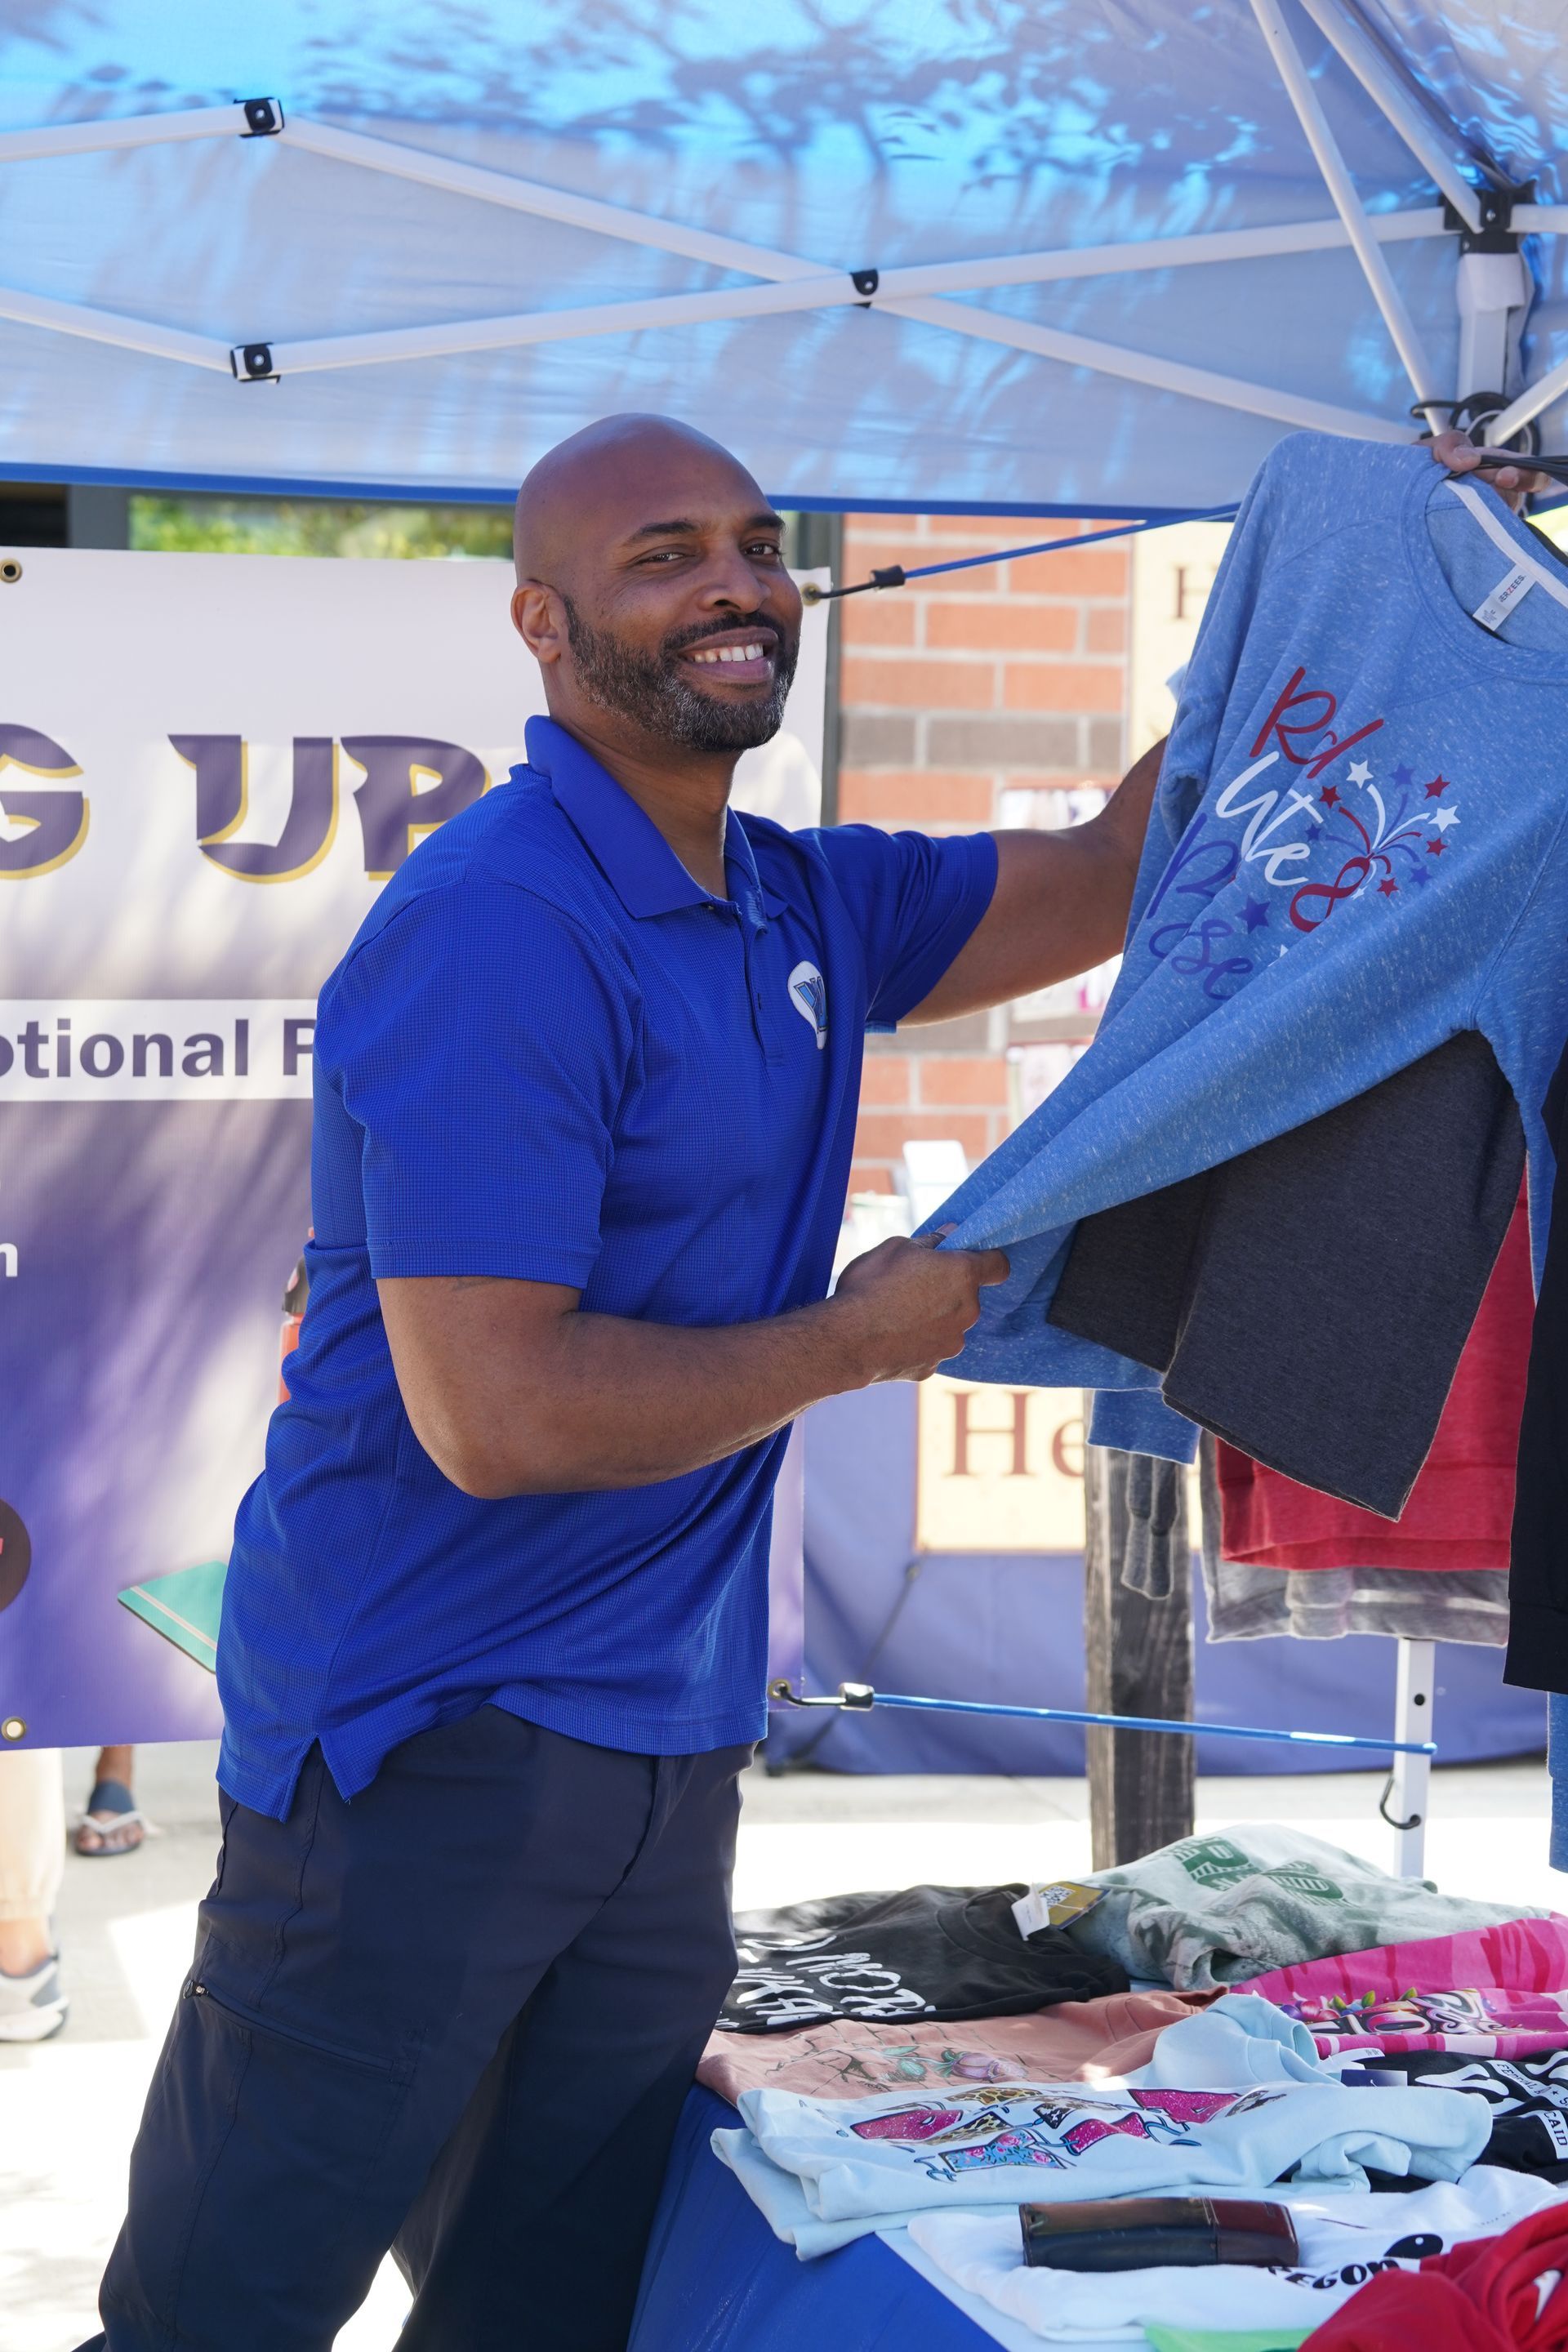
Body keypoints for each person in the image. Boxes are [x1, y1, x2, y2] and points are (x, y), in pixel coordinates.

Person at [81, 412, 1497, 2352]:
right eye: (666, 554)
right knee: (224, 2311)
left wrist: (1354, 574)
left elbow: (1115, 868)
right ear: (545, 624)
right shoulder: (500, 927)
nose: (738, 581)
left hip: (666, 1748)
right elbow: (497, 1418)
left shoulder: (794, 894)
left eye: (756, 544)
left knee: (552, 2307)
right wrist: (861, 1337)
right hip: (429, 1743)